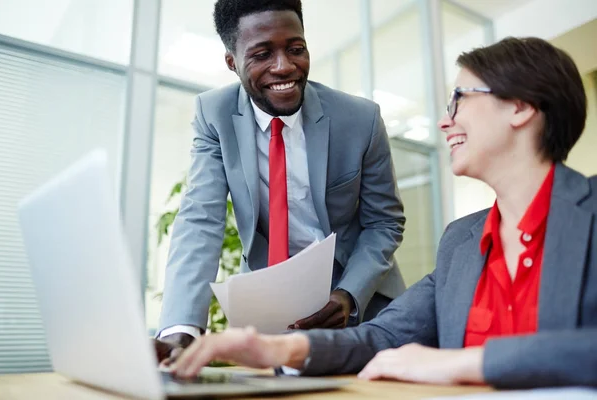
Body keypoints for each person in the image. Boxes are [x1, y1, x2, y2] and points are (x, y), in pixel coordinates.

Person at [165, 36, 597, 389]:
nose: (446, 122)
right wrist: (278, 349)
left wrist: (461, 364)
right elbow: (384, 336)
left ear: (520, 107)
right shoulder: (461, 243)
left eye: (460, 99)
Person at [156, 0, 407, 357]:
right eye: (261, 55)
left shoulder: (360, 119)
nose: (284, 67)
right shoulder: (214, 115)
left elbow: (384, 222)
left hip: (359, 304)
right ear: (232, 62)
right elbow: (200, 220)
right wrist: (181, 329)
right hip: (268, 308)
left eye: (295, 49)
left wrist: (348, 295)